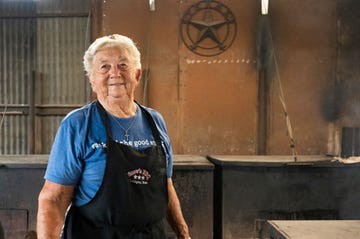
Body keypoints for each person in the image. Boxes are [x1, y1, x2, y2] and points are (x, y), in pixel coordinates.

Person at [37, 34, 190, 239]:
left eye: (123, 65)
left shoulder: (155, 121)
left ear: (136, 74)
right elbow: (53, 199)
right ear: (92, 79)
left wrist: (183, 233)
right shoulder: (78, 124)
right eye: (104, 67)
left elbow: (166, 185)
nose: (115, 73)